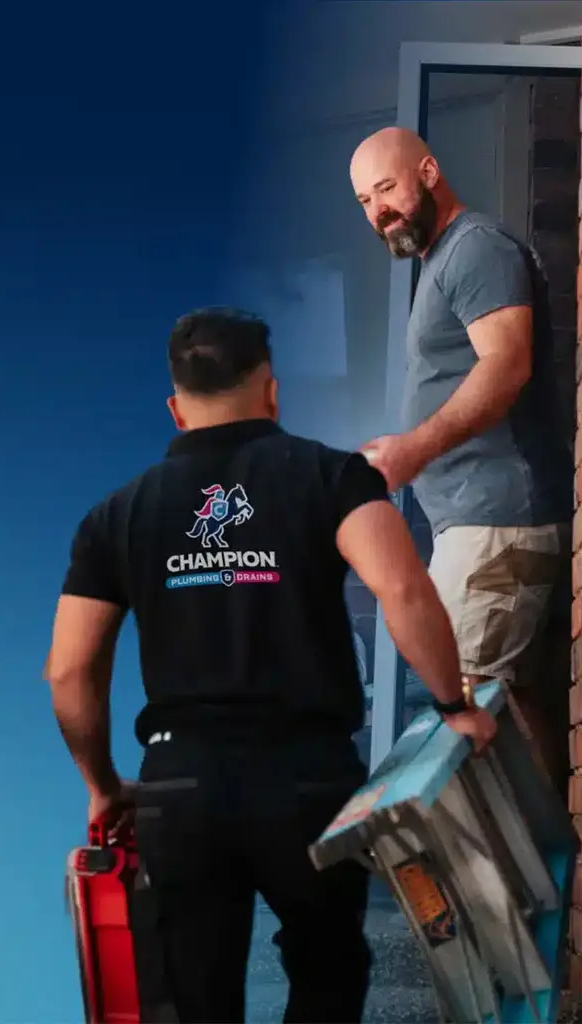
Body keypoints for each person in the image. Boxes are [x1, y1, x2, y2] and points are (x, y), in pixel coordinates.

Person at [44, 307, 495, 1024]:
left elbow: (69, 670)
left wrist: (102, 786)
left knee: (194, 995)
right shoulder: (333, 476)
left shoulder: (116, 515)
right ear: (272, 392)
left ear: (176, 408)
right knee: (327, 968)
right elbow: (403, 590)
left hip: (181, 783)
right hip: (307, 780)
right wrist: (453, 707)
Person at [350, 126, 573, 790]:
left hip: (496, 525)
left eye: (386, 189)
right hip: (485, 525)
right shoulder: (442, 261)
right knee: (514, 710)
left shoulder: (474, 247)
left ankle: (511, 864)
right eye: (365, 201)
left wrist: (415, 448)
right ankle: (555, 855)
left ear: (428, 172)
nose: (378, 212)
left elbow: (507, 364)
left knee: (465, 716)